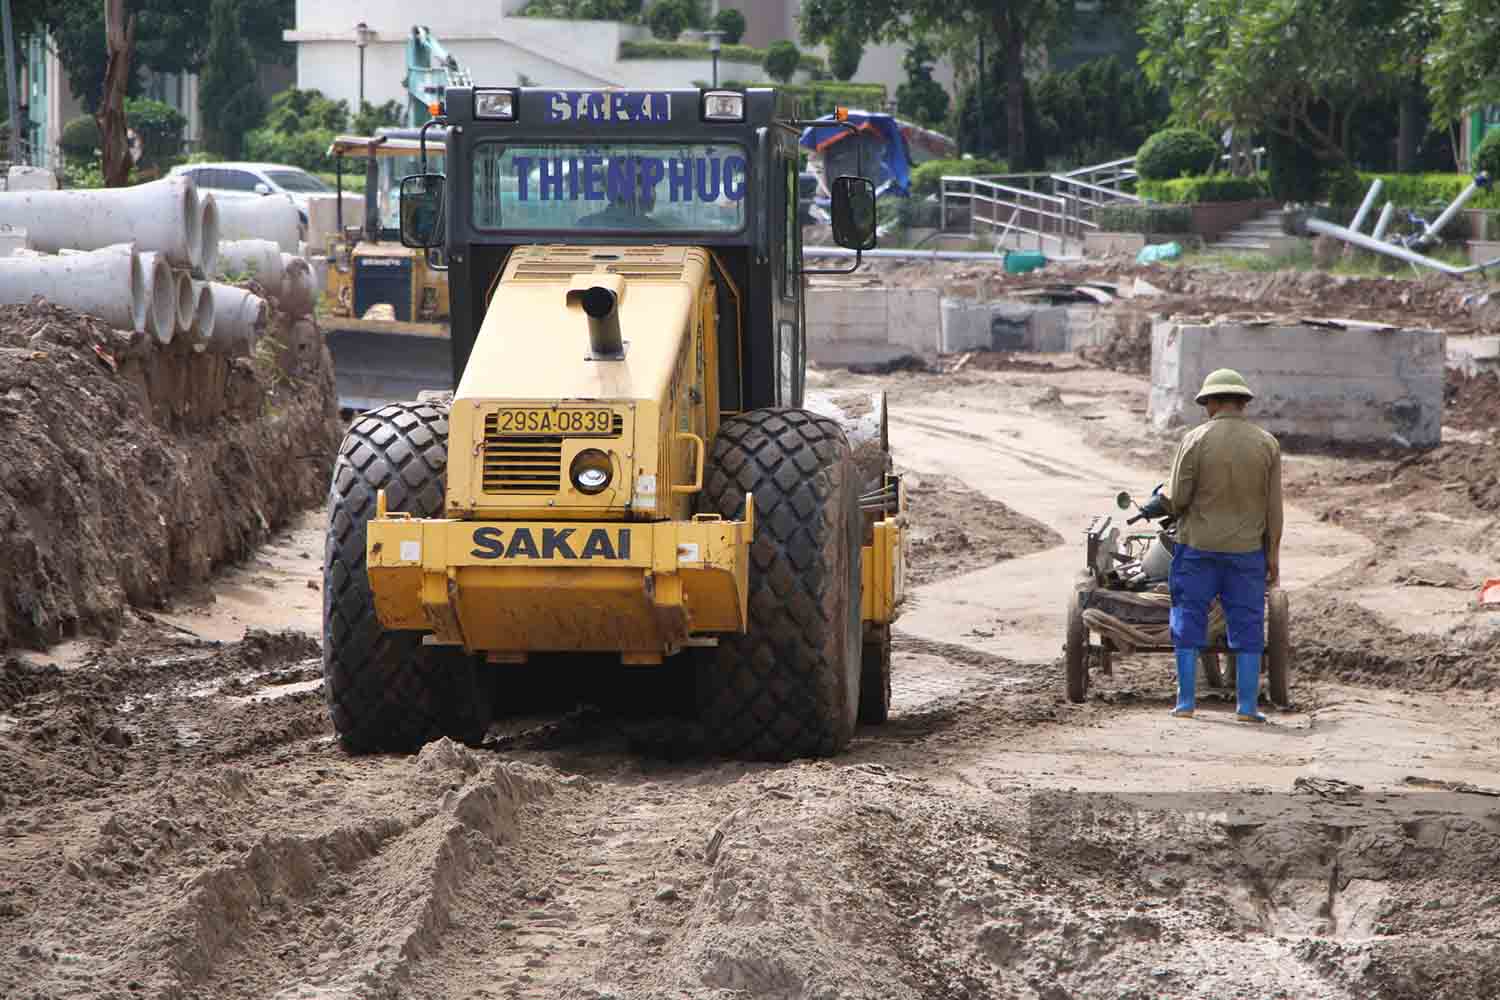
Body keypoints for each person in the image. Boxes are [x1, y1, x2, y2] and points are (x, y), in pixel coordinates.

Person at [1163, 368, 1283, 723]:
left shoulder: (1195, 440)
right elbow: (1273, 508)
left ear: (1211, 403)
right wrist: (1272, 554)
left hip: (1197, 546)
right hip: (1246, 552)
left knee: (1188, 615)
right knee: (1246, 622)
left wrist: (1169, 502)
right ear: (1242, 402)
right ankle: (1246, 707)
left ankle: (1186, 703)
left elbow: (1178, 498)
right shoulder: (1266, 444)